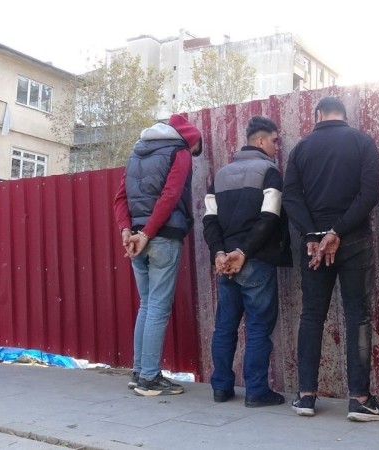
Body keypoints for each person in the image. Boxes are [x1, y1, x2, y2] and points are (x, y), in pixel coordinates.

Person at [282, 96, 379, 422]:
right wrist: (338, 231)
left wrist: (312, 235)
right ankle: (359, 400)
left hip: (314, 246)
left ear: (318, 115)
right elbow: (369, 194)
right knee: (357, 317)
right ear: (344, 115)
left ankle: (305, 397)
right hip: (353, 238)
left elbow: (291, 197)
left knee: (311, 316)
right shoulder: (362, 142)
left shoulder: (300, 149)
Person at [202, 116, 292, 408]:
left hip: (226, 264)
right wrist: (244, 252)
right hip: (255, 260)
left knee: (224, 327)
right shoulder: (270, 172)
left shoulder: (221, 175)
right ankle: (256, 391)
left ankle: (221, 388)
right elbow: (270, 218)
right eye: (275, 141)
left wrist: (220, 253)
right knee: (257, 329)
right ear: (261, 141)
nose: (277, 147)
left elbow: (209, 221)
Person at [113, 114, 203, 396]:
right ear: (190, 139)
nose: (194, 153)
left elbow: (120, 197)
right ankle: (149, 379)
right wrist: (148, 232)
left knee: (147, 305)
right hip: (161, 236)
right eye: (196, 147)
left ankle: (140, 371)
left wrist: (127, 230)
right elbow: (171, 194)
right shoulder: (180, 152)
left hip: (136, 238)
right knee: (158, 308)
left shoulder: (136, 153)